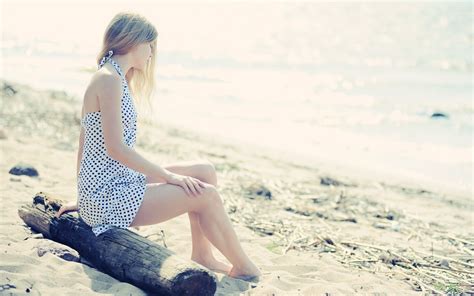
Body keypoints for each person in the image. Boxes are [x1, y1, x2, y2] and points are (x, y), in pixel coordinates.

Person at [54, 11, 261, 281]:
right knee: (205, 194)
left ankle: (203, 255)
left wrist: (83, 194)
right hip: (108, 196)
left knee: (203, 171)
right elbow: (116, 148)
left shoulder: (115, 77)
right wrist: (168, 177)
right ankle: (245, 268)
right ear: (133, 42)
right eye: (150, 45)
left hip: (113, 182)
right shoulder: (108, 80)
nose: (152, 53)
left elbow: (86, 141)